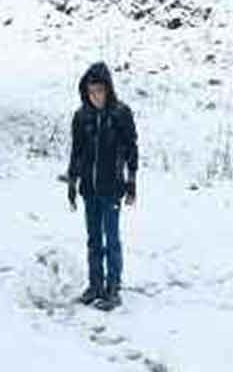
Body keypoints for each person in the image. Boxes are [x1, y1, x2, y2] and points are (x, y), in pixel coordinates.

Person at [66, 62, 138, 311]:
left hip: (112, 188)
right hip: (89, 189)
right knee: (93, 239)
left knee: (112, 239)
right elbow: (76, 152)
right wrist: (72, 182)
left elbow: (131, 149)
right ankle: (95, 284)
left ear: (108, 90)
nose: (95, 96)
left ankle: (113, 287)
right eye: (91, 91)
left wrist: (131, 183)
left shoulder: (120, 114)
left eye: (100, 90)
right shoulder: (81, 116)